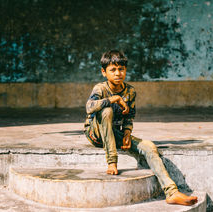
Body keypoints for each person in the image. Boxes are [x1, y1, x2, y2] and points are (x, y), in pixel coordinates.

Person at [84, 50, 198, 206]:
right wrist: (114, 98)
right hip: (96, 133)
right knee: (107, 110)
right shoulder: (100, 88)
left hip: (114, 133)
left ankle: (172, 192)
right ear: (104, 72)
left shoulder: (130, 91)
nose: (118, 73)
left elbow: (129, 117)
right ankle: (111, 161)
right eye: (113, 70)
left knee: (150, 147)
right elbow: (89, 107)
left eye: (121, 69)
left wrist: (127, 133)